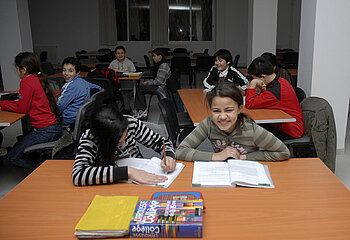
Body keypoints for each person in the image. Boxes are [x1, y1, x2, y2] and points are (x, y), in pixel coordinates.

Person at [176, 82, 290, 162]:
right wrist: (216, 156)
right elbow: (180, 151)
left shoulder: (252, 130)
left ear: (240, 109)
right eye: (216, 111)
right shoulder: (208, 124)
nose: (222, 117)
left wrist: (244, 157)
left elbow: (283, 153)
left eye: (229, 110)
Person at [72, 105, 176, 186]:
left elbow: (161, 142)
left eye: (125, 138)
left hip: (140, 178)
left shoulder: (130, 123)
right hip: (112, 185)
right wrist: (127, 172)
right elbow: (78, 175)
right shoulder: (90, 138)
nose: (124, 144)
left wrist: (169, 155)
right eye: (118, 143)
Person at [0, 52, 62, 169]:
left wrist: (2, 104)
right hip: (53, 127)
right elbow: (24, 104)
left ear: (23, 70)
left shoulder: (26, 81)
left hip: (44, 131)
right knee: (19, 147)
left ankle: (44, 170)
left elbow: (21, 108)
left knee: (12, 157)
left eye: (17, 69)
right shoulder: (38, 78)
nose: (17, 72)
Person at [245, 56, 304, 140]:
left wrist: (252, 85)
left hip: (290, 131)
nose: (254, 80)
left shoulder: (275, 91)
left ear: (263, 77)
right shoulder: (280, 81)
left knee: (249, 132)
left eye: (254, 78)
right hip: (283, 125)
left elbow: (249, 104)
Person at [58, 57, 101, 128]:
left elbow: (60, 106)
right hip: (80, 117)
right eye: (64, 70)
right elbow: (99, 88)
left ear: (77, 73)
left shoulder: (71, 86)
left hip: (68, 119)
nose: (66, 73)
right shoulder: (82, 81)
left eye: (70, 71)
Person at [133, 48, 170, 119]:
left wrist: (147, 82)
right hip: (158, 85)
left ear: (160, 56)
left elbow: (158, 81)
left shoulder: (163, 66)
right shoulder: (161, 64)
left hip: (160, 87)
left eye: (154, 56)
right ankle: (141, 110)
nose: (153, 58)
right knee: (140, 88)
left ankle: (142, 111)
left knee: (140, 89)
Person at [108, 46, 136, 114]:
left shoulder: (129, 62)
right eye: (118, 53)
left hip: (126, 82)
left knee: (124, 90)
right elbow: (109, 73)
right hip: (115, 83)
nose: (120, 55)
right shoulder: (113, 63)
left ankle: (126, 109)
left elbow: (133, 73)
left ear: (125, 53)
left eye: (122, 53)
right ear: (115, 54)